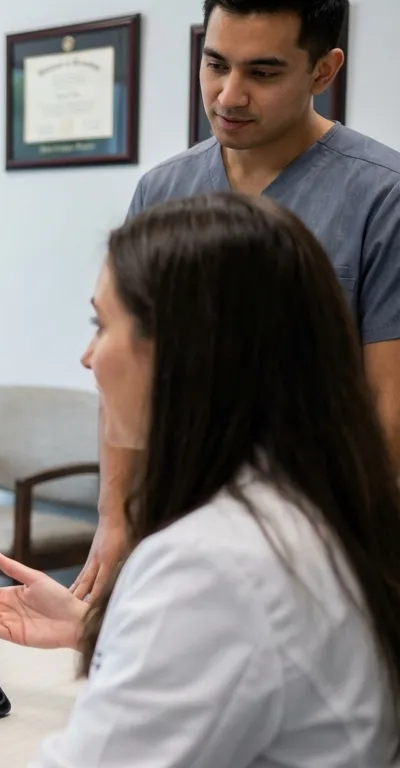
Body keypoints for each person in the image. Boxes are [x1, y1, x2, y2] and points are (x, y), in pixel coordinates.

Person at [0, 192, 400, 767]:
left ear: (182, 350)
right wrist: (97, 627)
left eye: (101, 324)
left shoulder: (215, 563)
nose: (87, 356)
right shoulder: (321, 507)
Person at [73, 0, 400, 600]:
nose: (228, 96)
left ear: (324, 72)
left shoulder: (382, 198)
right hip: (180, 526)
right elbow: (127, 366)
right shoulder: (164, 190)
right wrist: (116, 516)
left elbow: (388, 412)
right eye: (215, 64)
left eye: (263, 73)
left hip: (313, 543)